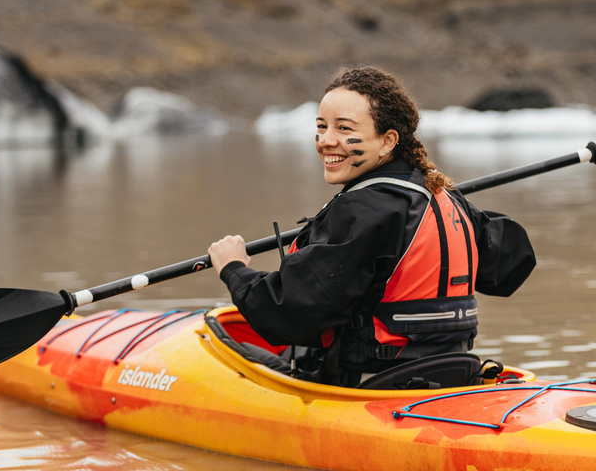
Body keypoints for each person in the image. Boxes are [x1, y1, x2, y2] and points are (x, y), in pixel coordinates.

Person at [208, 66, 535, 387]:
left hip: (373, 385)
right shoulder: (445, 199)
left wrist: (234, 268)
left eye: (344, 129)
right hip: (453, 372)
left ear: (387, 141)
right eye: (321, 127)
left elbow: (289, 312)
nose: (326, 141)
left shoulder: (363, 209)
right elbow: (513, 264)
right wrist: (460, 211)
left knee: (222, 347)